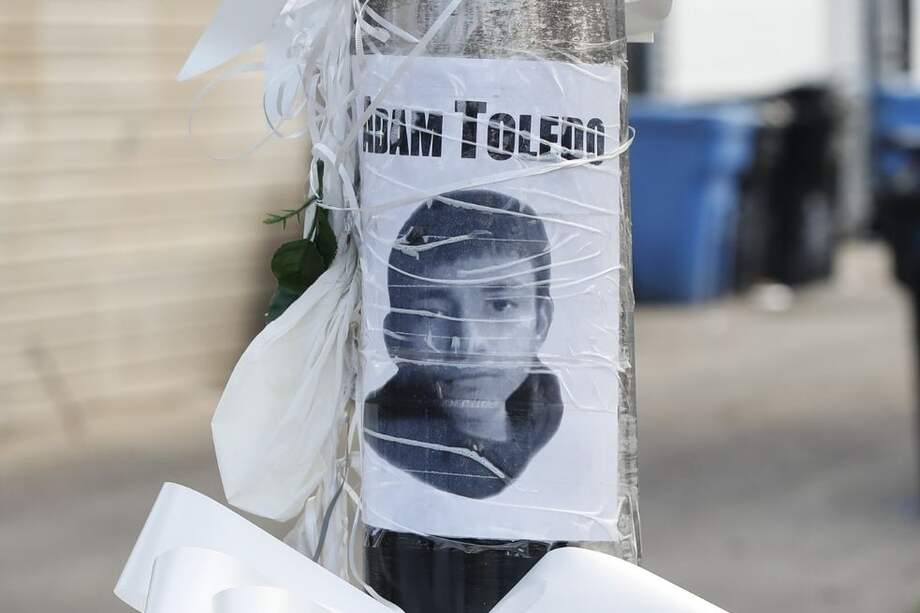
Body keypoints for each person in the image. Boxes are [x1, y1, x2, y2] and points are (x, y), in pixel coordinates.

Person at [364, 189, 563, 499]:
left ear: (540, 322)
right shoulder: (383, 443)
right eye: (431, 313)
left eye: (500, 306)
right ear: (395, 336)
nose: (469, 343)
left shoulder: (555, 425)